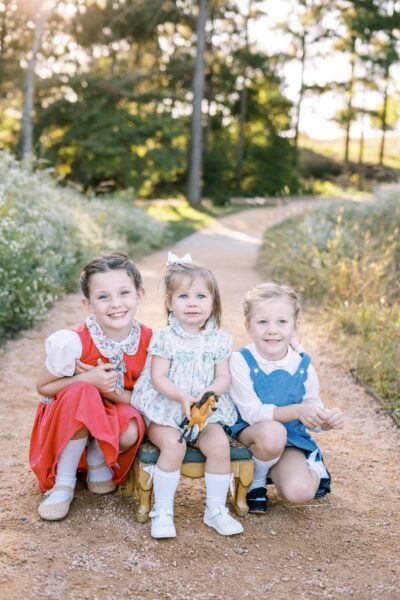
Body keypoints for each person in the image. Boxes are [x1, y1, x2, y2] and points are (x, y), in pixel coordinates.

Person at [29, 253, 152, 521]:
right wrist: (87, 379)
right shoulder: (74, 342)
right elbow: (43, 386)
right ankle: (64, 481)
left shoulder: (150, 341)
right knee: (82, 392)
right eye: (103, 297)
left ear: (139, 295)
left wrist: (110, 392)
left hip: (117, 408)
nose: (116, 304)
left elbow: (147, 399)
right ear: (88, 304)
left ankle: (97, 458)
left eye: (123, 293)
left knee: (131, 428)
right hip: (69, 419)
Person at [131, 253, 242, 539]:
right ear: (169, 303)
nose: (192, 302)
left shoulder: (220, 339)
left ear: (213, 303)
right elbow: (158, 378)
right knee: (174, 446)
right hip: (167, 410)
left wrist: (210, 393)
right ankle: (163, 510)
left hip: (203, 412)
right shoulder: (164, 337)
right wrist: (182, 397)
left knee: (219, 445)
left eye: (201, 296)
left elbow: (223, 377)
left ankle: (215, 509)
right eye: (183, 296)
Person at [227, 282, 344, 513]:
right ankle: (255, 481)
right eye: (262, 322)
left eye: (282, 322)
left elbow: (311, 404)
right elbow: (252, 413)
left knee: (299, 493)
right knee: (272, 433)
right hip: (252, 435)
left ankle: (312, 468)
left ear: (295, 327)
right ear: (248, 326)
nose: (272, 330)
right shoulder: (240, 360)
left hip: (290, 438)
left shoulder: (303, 367)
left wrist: (325, 421)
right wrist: (297, 411)